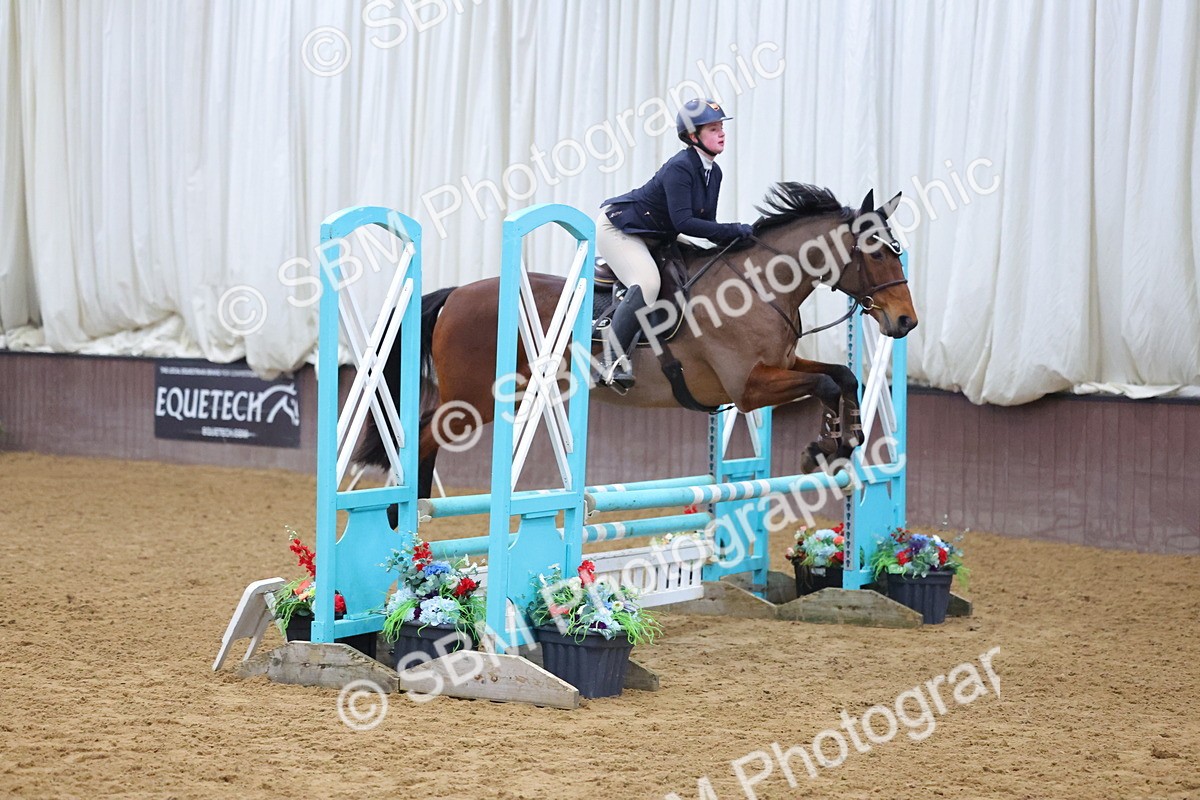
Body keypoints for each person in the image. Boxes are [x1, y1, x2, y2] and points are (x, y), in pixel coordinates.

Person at [595, 98, 754, 389]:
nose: (721, 134)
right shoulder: (680, 167)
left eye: (722, 128)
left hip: (658, 233)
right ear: (693, 136)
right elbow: (685, 223)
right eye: (713, 129)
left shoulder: (713, 172)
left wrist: (741, 238)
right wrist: (734, 229)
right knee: (648, 284)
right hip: (621, 228)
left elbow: (706, 225)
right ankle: (611, 361)